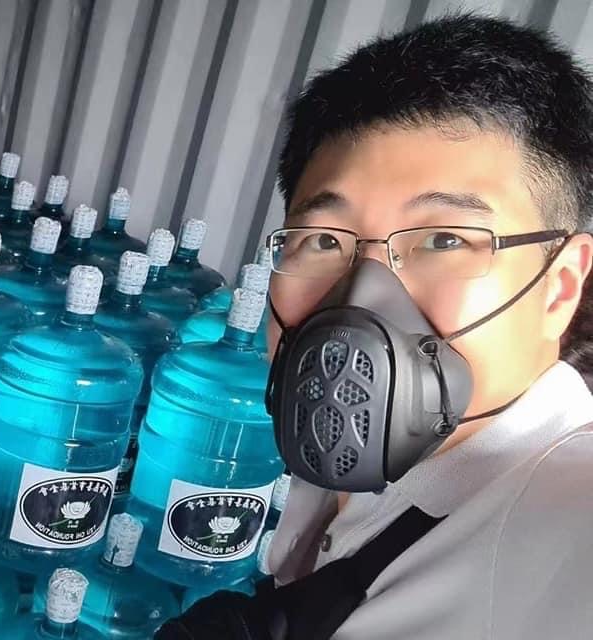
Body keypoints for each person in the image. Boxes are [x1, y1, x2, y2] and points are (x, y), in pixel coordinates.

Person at [160, 15, 593, 639]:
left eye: (445, 238)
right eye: (322, 239)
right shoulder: (353, 477)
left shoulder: (564, 519)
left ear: (560, 285)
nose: (361, 300)